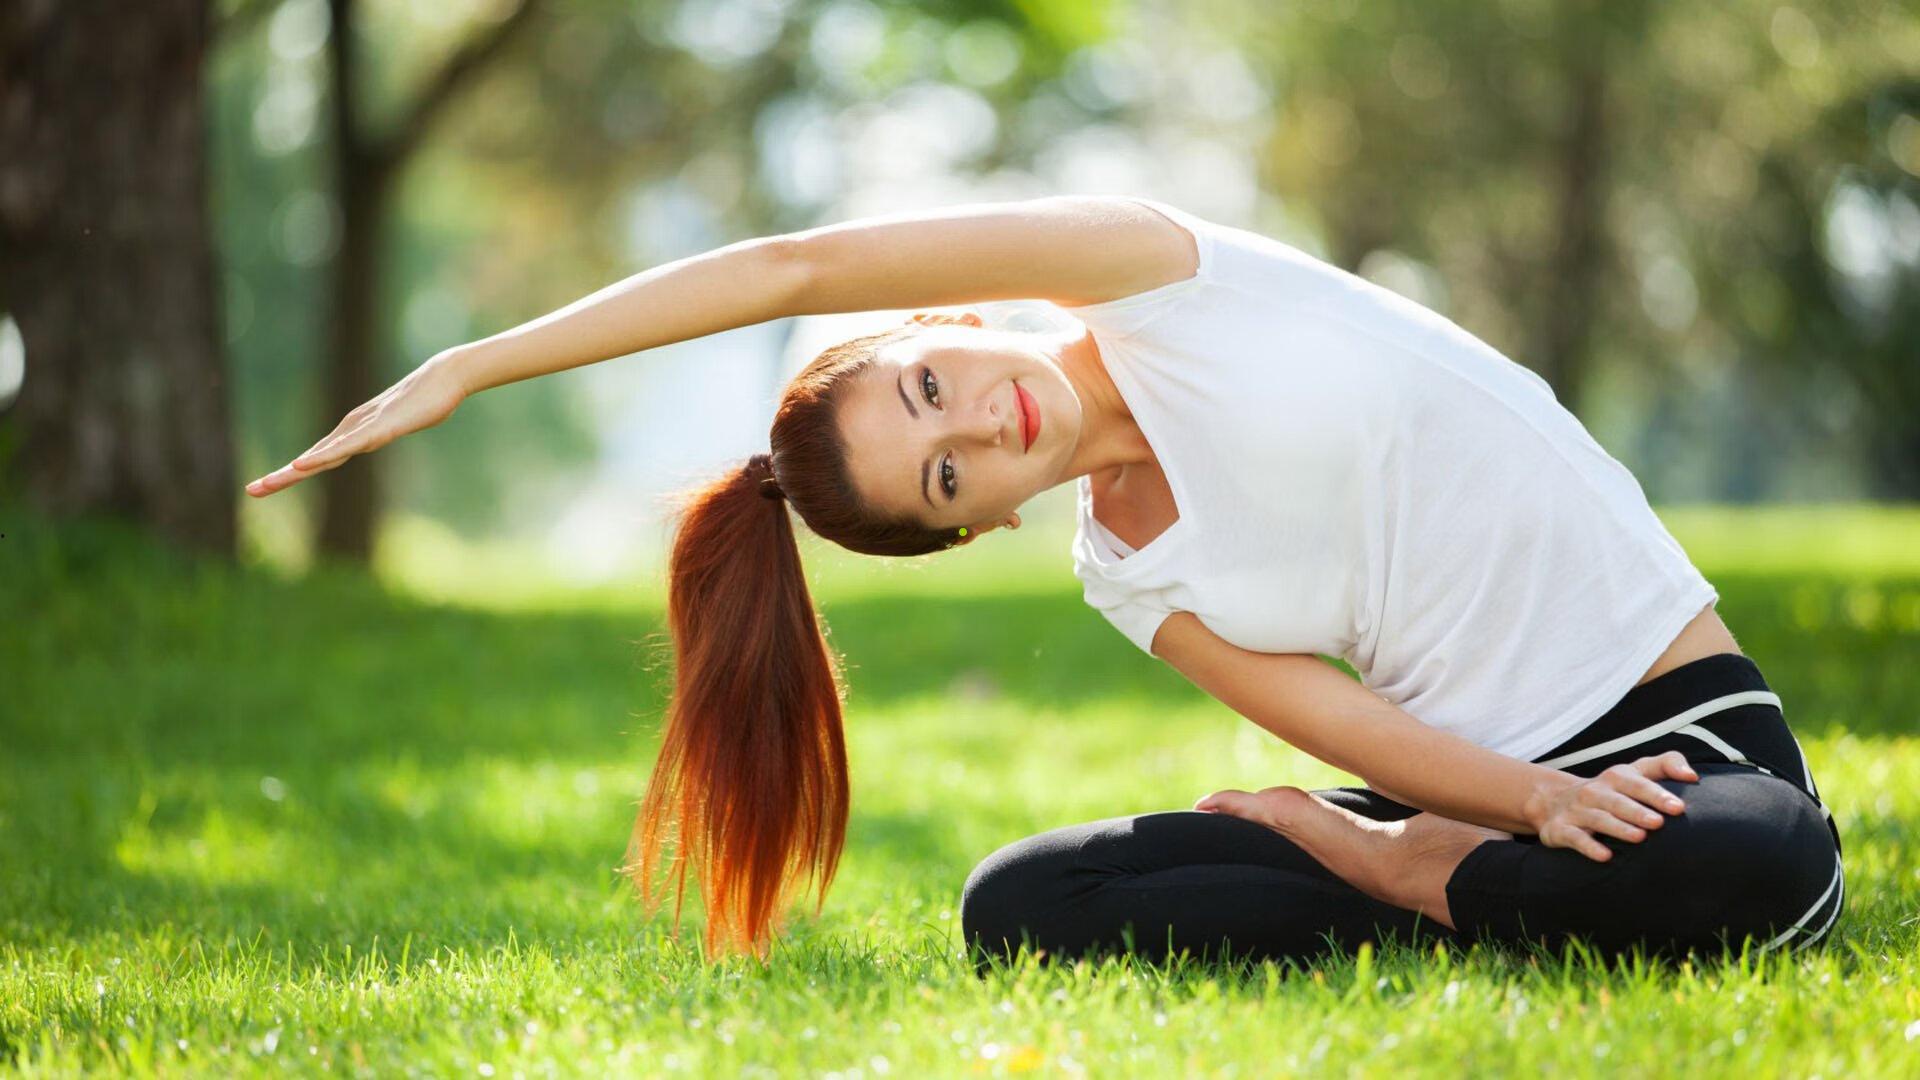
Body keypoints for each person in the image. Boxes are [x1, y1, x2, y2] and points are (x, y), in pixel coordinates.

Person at [245, 195, 1844, 966]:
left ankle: (1411, 884)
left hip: (1672, 735)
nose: (979, 422)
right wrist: (1506, 810)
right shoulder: (1136, 576)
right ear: (973, 527)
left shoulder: (1156, 273)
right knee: (1020, 906)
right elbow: (1343, 720)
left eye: (932, 386)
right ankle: (1426, 877)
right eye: (948, 475)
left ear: (942, 325)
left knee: (1769, 864)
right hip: (1485, 796)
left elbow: (789, 270)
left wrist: (471, 365)